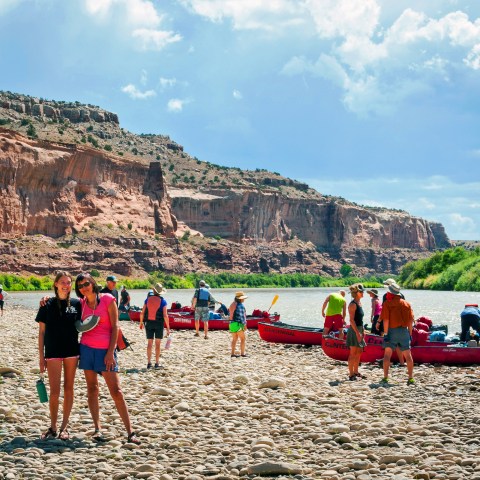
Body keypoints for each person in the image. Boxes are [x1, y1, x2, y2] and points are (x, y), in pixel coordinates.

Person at [75, 273, 140, 444]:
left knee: (116, 391)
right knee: (92, 389)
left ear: (93, 283)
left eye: (86, 283)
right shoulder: (80, 304)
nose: (84, 287)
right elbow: (60, 299)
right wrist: (45, 299)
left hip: (106, 350)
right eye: (80, 286)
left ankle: (130, 432)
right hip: (87, 349)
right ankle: (97, 428)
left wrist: (111, 352)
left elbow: (116, 325)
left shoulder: (107, 299)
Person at [36, 272, 81, 440]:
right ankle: (53, 426)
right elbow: (41, 333)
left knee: (69, 388)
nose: (66, 285)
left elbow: (88, 321)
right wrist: (41, 356)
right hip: (53, 352)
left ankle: (64, 428)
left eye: (69, 282)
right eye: (63, 282)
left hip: (71, 352)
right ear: (55, 284)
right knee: (54, 391)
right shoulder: (46, 304)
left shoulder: (77, 304)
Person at [381, 282, 415, 385]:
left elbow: (386, 320)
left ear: (391, 293)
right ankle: (410, 378)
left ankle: (386, 377)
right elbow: (411, 321)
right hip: (404, 331)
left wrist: (386, 334)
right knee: (408, 355)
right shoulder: (407, 304)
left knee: (387, 355)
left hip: (391, 331)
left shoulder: (387, 303)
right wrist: (410, 334)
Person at [139, 283, 171, 369]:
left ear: (153, 291)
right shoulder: (163, 301)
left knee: (149, 343)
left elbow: (142, 313)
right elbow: (165, 316)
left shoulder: (147, 300)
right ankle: (157, 363)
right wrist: (168, 328)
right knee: (158, 344)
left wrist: (141, 323)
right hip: (159, 324)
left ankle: (149, 363)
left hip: (149, 323)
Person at [381, 279, 405, 366]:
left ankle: (386, 361)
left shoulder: (386, 296)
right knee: (399, 343)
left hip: (390, 323)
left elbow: (384, 311)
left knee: (388, 342)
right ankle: (402, 362)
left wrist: (379, 321)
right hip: (401, 323)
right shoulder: (402, 295)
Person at [345, 284, 366, 381]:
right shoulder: (352, 304)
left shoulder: (359, 303)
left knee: (359, 351)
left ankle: (356, 371)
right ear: (357, 293)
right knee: (353, 352)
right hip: (354, 330)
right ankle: (351, 374)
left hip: (360, 329)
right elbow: (352, 321)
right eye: (361, 292)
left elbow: (360, 319)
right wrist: (358, 333)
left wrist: (363, 331)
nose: (363, 293)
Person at [229, 291, 248, 357]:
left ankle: (232, 353)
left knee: (234, 339)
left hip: (231, 324)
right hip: (238, 324)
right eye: (243, 298)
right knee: (243, 338)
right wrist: (245, 325)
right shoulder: (240, 306)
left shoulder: (232, 304)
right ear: (240, 299)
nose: (244, 299)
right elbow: (242, 316)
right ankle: (242, 353)